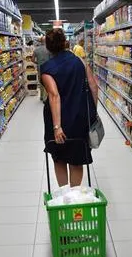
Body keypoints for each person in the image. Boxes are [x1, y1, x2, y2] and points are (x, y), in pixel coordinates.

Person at [41, 29, 98, 187]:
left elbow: (54, 96)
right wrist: (92, 113)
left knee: (59, 158)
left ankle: (64, 196)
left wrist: (57, 126)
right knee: (76, 158)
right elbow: (94, 87)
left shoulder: (47, 68)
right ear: (65, 42)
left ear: (48, 46)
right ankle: (75, 196)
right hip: (79, 116)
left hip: (56, 118)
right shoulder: (80, 61)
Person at [33, 36, 52, 102]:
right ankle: (46, 97)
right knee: (47, 82)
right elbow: (52, 59)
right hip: (48, 68)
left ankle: (41, 96)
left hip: (40, 68)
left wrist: (38, 62)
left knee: (41, 82)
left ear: (40, 41)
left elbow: (32, 60)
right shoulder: (49, 49)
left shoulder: (36, 50)